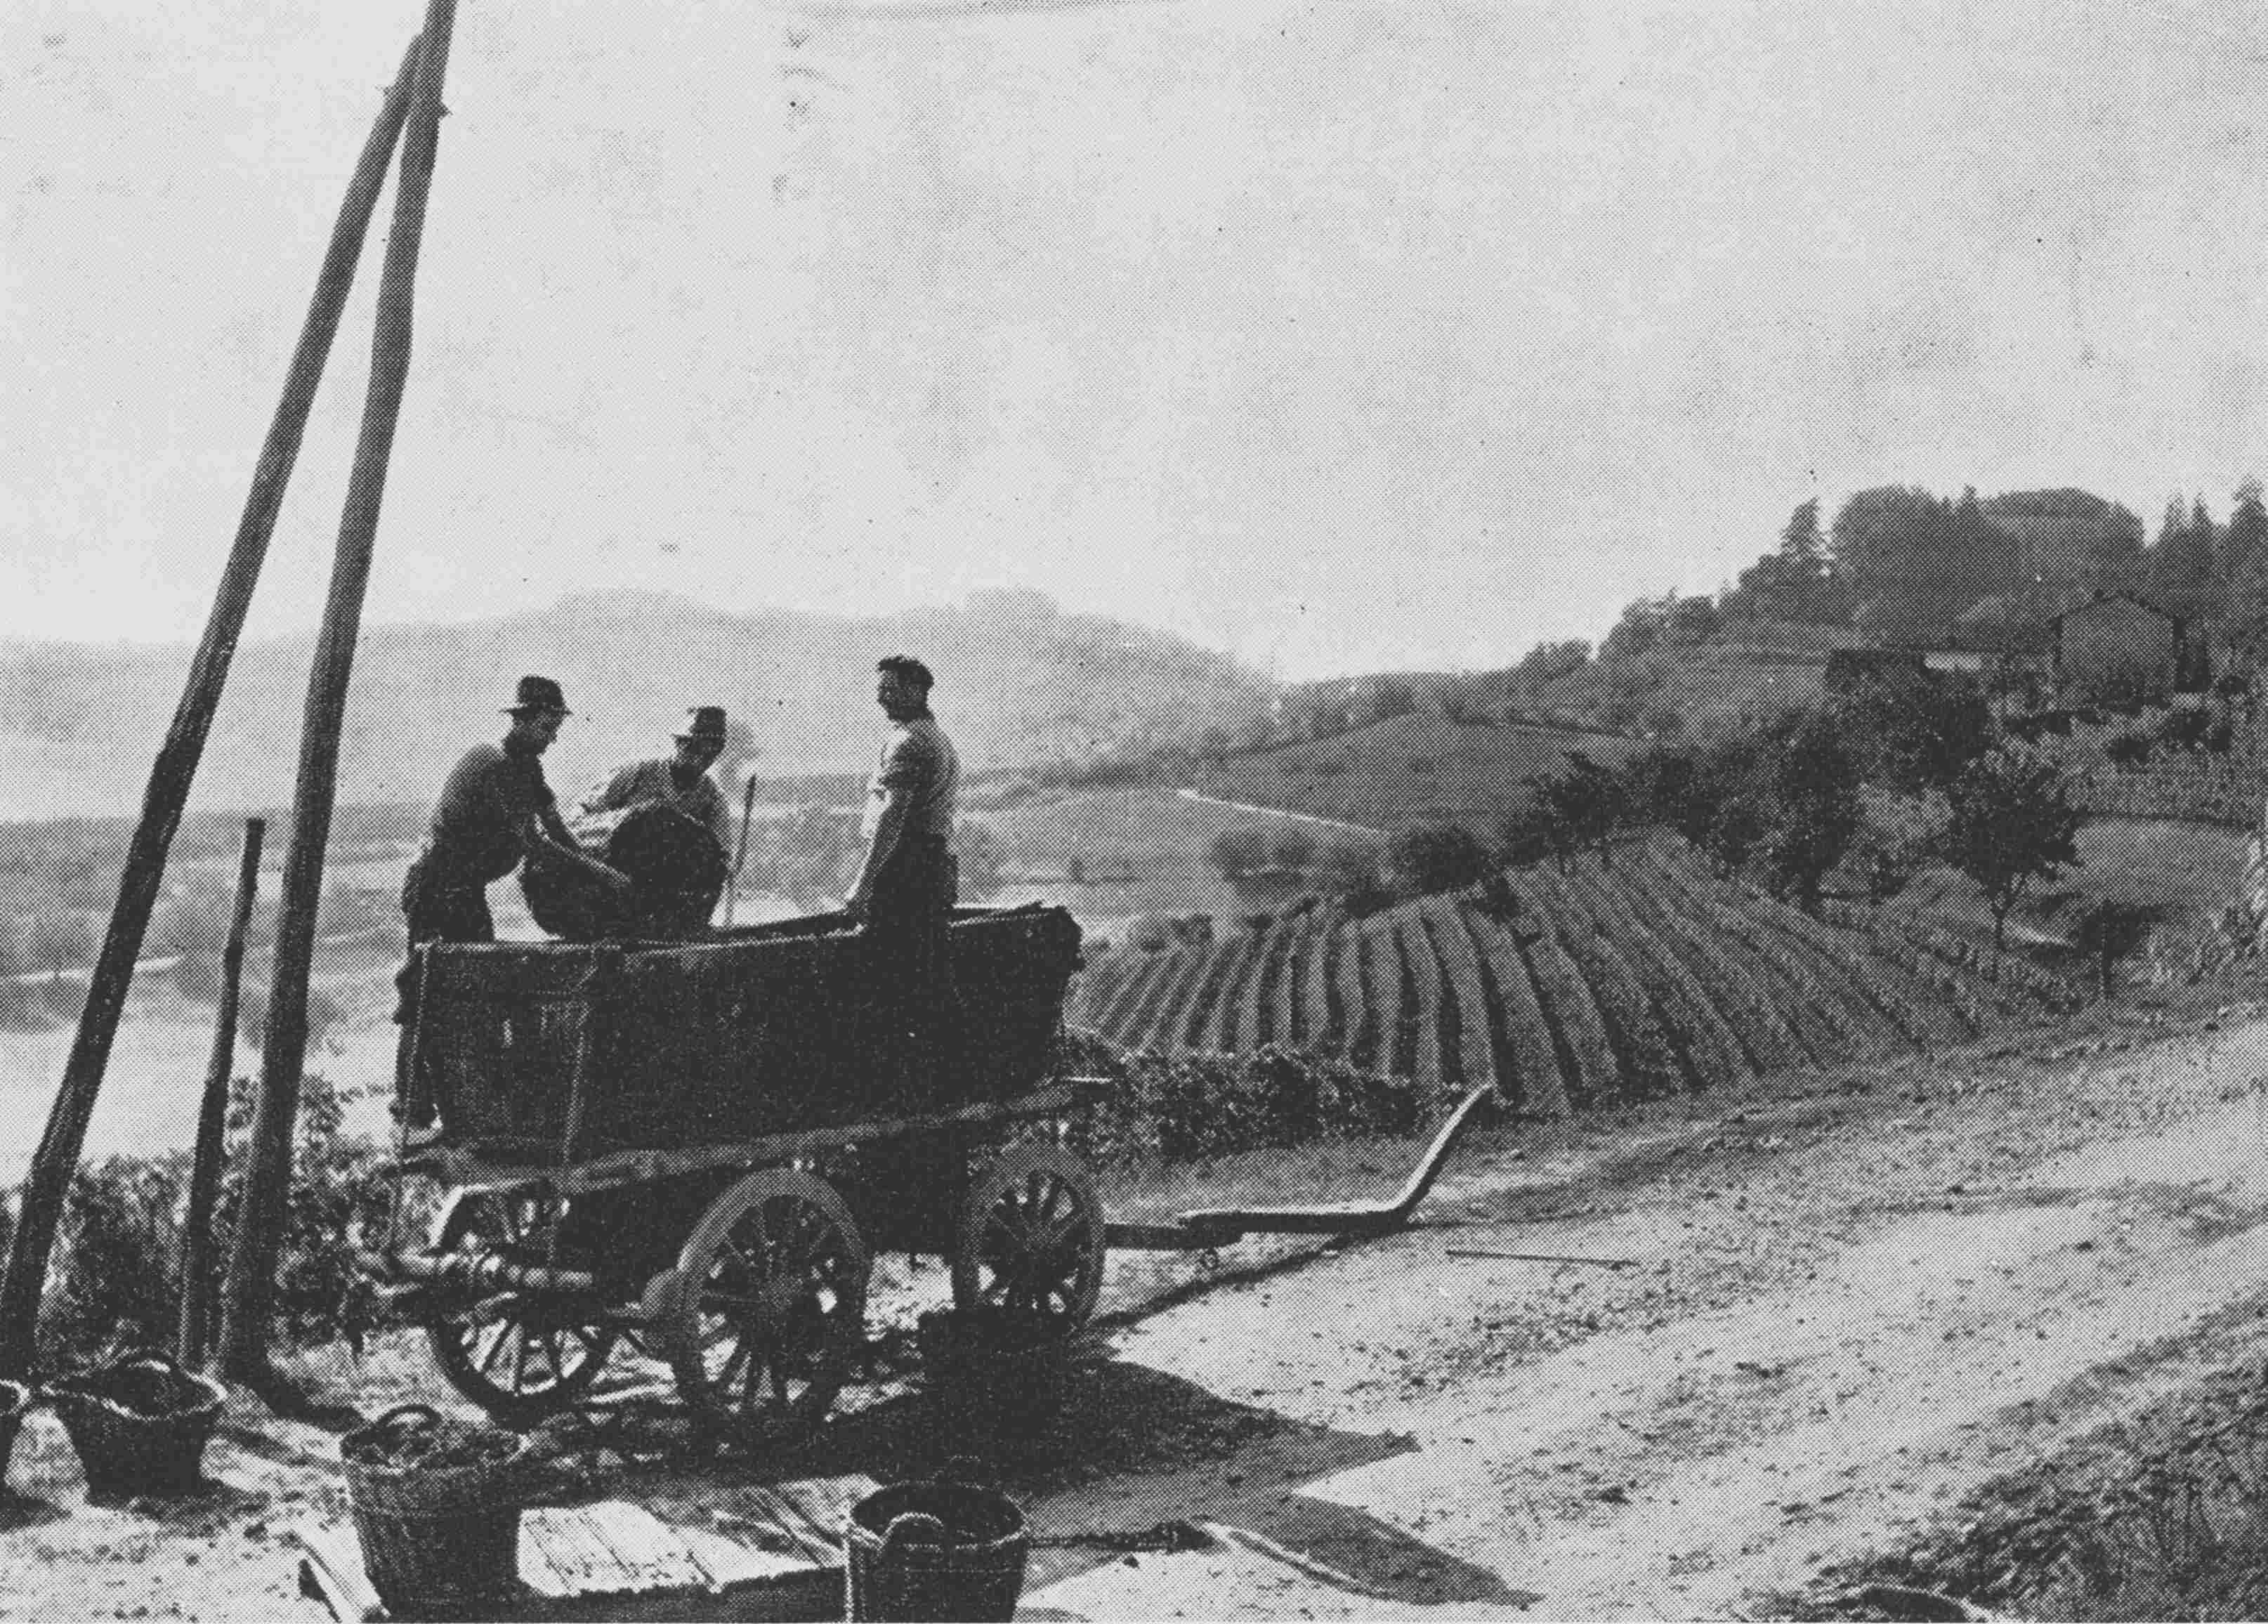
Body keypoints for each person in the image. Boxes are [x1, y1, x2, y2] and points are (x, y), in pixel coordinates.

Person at [392, 675, 629, 1127]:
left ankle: (463, 1104)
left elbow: (557, 829)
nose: (554, 735)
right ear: (521, 721)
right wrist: (602, 874)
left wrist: (596, 863)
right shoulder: (498, 766)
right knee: (429, 993)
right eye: (547, 726)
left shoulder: (528, 768)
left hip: (465, 894)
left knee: (476, 991)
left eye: (557, 725)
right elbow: (535, 845)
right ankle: (411, 1107)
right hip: (437, 891)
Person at [844, 656, 962, 1085]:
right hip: (930, 866)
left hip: (906, 869)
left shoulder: (909, 743)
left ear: (918, 691)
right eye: (880, 689)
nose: (882, 697)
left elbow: (892, 818)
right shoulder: (935, 737)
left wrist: (863, 882)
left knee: (890, 973)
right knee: (922, 968)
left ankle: (896, 1075)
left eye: (892, 689)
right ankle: (925, 1071)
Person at [575, 705, 734, 849]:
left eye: (709, 755)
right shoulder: (637, 773)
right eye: (693, 749)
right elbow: (579, 817)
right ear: (678, 744)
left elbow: (721, 855)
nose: (698, 761)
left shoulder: (712, 799)